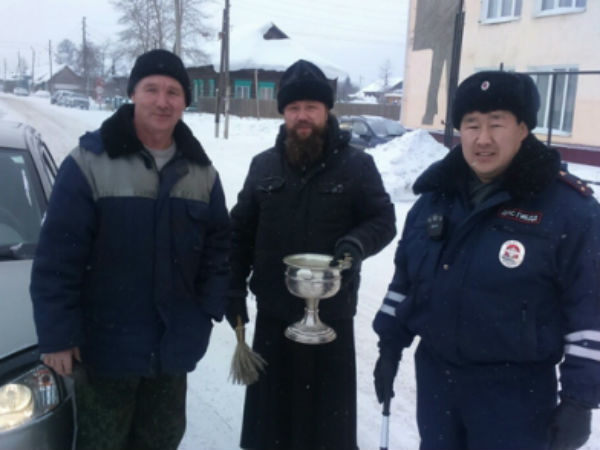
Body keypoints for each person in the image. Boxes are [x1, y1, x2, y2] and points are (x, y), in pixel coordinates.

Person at [372, 70, 600, 450]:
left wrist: (579, 400)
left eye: (497, 124)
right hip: (436, 385)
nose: (483, 139)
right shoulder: (435, 198)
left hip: (516, 398)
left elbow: (590, 311)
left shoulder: (571, 211)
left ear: (524, 128)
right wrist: (389, 346)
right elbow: (406, 283)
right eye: (471, 125)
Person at [30, 49, 230, 450]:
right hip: (105, 349)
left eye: (173, 91)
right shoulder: (89, 163)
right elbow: (57, 258)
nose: (162, 100)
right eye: (151, 88)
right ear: (132, 94)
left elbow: (219, 248)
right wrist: (57, 336)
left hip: (171, 351)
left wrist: (204, 311)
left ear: (185, 102)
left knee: (162, 441)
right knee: (103, 443)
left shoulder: (202, 173)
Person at [226, 59, 396, 450]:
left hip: (331, 320)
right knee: (270, 428)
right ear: (284, 113)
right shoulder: (263, 166)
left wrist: (356, 243)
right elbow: (240, 233)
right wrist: (233, 287)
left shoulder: (357, 165)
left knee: (327, 432)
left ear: (327, 111)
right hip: (273, 318)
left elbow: (383, 220)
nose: (302, 116)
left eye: (311, 108)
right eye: (294, 108)